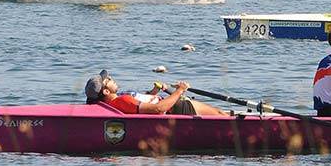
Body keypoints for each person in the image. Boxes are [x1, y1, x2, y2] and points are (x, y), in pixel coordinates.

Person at [85, 70, 227, 115]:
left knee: (221, 113)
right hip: (177, 108)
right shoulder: (122, 101)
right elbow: (158, 108)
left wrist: (154, 91)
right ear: (106, 90)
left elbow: (145, 102)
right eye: (107, 80)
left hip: (172, 103)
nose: (110, 78)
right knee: (221, 114)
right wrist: (179, 90)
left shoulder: (120, 98)